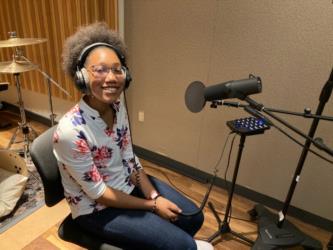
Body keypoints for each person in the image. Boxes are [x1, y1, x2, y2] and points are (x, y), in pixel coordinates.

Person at [53, 22, 214, 250]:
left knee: (193, 218)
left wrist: (155, 197)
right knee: (183, 246)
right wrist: (152, 205)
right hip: (97, 210)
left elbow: (130, 158)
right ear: (81, 76)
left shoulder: (117, 108)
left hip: (127, 185)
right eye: (100, 70)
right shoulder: (70, 132)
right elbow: (99, 194)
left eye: (117, 69)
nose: (111, 77)